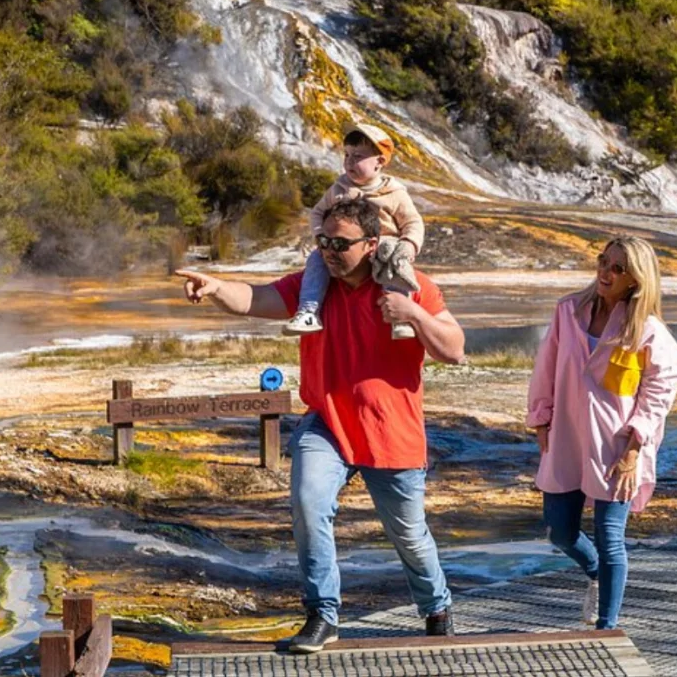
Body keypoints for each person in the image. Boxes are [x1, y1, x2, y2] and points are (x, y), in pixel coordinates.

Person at [178, 197, 465, 653]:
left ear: (372, 244)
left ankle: (436, 610)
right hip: (326, 423)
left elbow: (454, 348)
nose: (329, 251)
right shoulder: (315, 286)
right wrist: (215, 286)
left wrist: (414, 315)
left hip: (391, 431)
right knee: (308, 504)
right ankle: (323, 615)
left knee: (409, 535)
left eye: (341, 243)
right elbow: (258, 298)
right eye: (323, 241)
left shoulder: (411, 285)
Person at [526, 235, 677, 631]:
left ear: (635, 279)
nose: (605, 272)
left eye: (617, 268)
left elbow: (662, 385)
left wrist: (635, 446)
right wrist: (541, 418)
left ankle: (606, 627)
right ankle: (595, 571)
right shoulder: (568, 311)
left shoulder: (645, 329)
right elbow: (544, 368)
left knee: (610, 536)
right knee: (560, 531)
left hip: (617, 447)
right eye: (603, 262)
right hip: (565, 438)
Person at [283, 123, 424, 340]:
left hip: (384, 243)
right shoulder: (339, 190)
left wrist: (409, 244)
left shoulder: (394, 193)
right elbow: (317, 213)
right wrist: (322, 236)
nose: (349, 161)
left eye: (358, 156)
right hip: (343, 246)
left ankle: (400, 316)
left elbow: (413, 222)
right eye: (347, 154)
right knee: (316, 260)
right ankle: (309, 311)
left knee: (393, 261)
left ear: (380, 162)